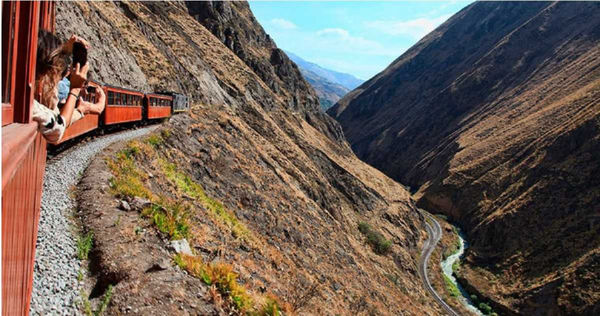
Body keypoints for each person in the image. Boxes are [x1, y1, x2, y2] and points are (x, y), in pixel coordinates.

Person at [32, 30, 90, 143]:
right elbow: (57, 130)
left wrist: (64, 51)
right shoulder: (30, 106)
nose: (59, 79)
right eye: (56, 72)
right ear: (43, 73)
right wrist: (75, 89)